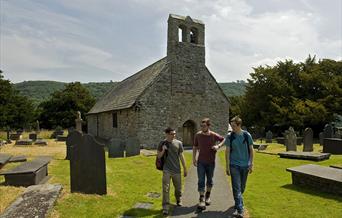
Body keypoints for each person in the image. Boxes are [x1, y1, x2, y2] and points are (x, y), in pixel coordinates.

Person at [218, 116, 254, 218]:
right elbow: (227, 151)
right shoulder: (230, 136)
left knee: (242, 188)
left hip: (245, 165)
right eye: (231, 126)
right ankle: (240, 210)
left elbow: (251, 151)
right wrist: (227, 166)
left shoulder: (247, 135)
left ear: (239, 125)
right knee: (237, 187)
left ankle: (238, 202)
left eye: (233, 126)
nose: (231, 128)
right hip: (234, 165)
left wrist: (251, 163)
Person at [193, 118, 224, 209]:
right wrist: (193, 159)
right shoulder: (198, 135)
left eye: (204, 126)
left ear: (208, 126)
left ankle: (208, 196)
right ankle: (201, 199)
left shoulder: (214, 135)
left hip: (211, 162)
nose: (202, 127)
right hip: (201, 162)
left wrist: (218, 146)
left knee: (210, 180)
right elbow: (194, 147)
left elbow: (223, 139)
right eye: (201, 126)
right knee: (201, 180)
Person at [157, 127, 187, 216]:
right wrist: (163, 150)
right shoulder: (162, 143)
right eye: (171, 134)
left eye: (174, 133)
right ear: (166, 134)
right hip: (166, 170)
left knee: (178, 188)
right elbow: (159, 156)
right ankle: (165, 207)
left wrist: (185, 168)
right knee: (165, 189)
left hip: (177, 170)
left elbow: (181, 156)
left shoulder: (179, 143)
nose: (173, 135)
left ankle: (178, 199)